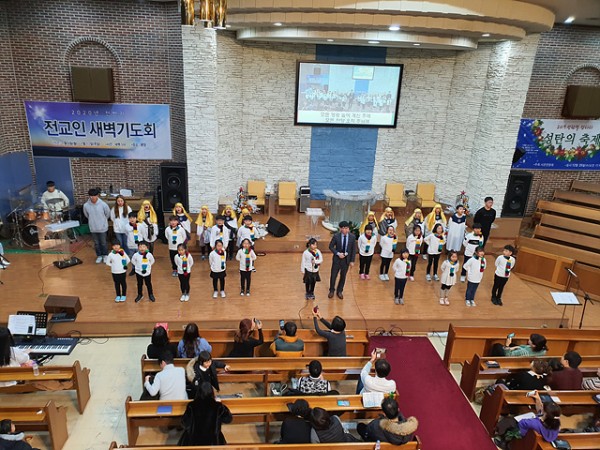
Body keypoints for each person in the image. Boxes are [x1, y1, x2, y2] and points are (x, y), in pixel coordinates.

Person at [177, 381, 232, 446]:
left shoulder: (192, 405)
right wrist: (221, 405)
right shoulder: (217, 406)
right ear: (212, 392)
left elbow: (184, 423)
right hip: (212, 443)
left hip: (194, 442)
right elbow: (228, 419)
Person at [328, 221, 356, 300]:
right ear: (340, 229)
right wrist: (337, 253)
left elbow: (353, 249)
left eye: (347, 228)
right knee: (333, 275)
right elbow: (331, 246)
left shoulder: (352, 237)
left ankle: (340, 291)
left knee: (343, 276)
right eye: (343, 228)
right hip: (337, 259)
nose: (345, 230)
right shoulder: (336, 236)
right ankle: (331, 290)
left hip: (346, 260)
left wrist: (352, 261)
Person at [83, 188, 110, 263]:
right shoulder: (86, 205)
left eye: (94, 196)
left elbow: (107, 214)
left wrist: (103, 221)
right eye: (91, 196)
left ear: (97, 195)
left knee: (103, 242)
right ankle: (99, 255)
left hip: (102, 227)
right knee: (96, 243)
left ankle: (105, 255)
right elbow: (86, 215)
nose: (92, 197)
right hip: (93, 227)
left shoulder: (103, 204)